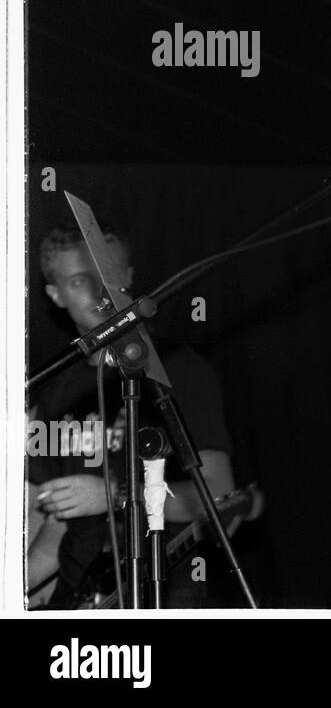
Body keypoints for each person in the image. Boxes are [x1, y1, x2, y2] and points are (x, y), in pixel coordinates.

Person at [27, 222, 236, 608]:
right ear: (54, 295)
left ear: (127, 275)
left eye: (107, 275)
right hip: (83, 593)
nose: (99, 291)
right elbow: (55, 527)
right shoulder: (51, 391)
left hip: (169, 588)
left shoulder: (178, 368)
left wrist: (117, 496)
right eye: (78, 281)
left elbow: (219, 494)